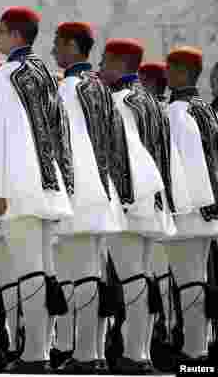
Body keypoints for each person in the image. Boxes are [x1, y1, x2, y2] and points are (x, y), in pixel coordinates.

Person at [0, 6, 74, 373]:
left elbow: (0, 134)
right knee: (44, 273)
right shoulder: (44, 72)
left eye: (0, 31)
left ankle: (34, 355)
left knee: (29, 273)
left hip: (19, 187)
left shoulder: (6, 75)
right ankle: (40, 350)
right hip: (49, 185)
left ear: (16, 35)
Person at [97, 38, 186, 373]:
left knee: (133, 279)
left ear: (120, 64)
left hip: (129, 205)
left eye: (105, 62)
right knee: (145, 278)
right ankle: (142, 352)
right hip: (153, 205)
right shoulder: (150, 102)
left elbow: (120, 157)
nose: (101, 67)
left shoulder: (118, 102)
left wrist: (119, 201)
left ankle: (135, 355)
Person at [49, 22, 126, 374]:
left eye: (57, 44)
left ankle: (84, 356)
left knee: (80, 276)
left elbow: (60, 145)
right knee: (93, 274)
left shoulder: (67, 89)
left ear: (71, 45)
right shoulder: (100, 89)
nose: (53, 52)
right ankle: (92, 352)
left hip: (79, 192)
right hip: (103, 193)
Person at [162, 46, 218, 366]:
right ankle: (198, 348)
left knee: (188, 283)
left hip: (189, 211)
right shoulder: (204, 108)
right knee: (196, 280)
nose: (166, 75)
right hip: (205, 212)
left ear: (182, 72)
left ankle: (194, 352)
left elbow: (183, 165)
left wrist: (180, 209)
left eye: (170, 69)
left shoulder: (178, 112)